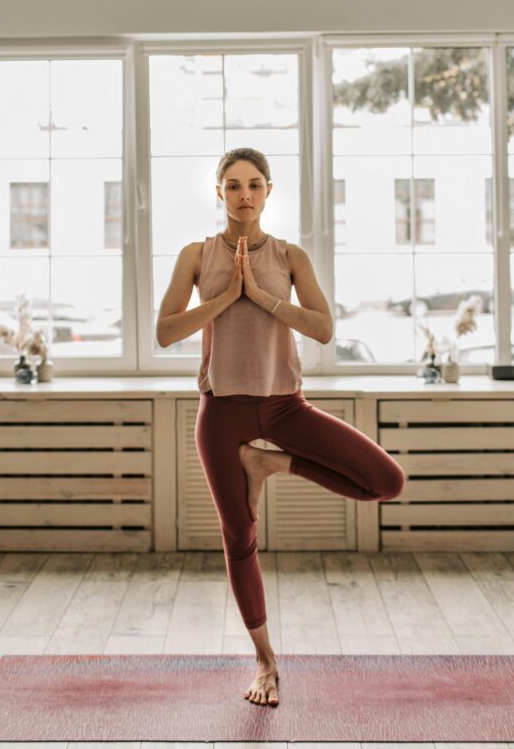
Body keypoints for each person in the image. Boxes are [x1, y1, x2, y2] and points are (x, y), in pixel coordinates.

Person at [156, 147, 406, 708]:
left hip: (285, 406)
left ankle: (271, 461)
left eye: (254, 184)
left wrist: (263, 296)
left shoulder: (291, 256)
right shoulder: (195, 255)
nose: (244, 194)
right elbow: (166, 332)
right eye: (232, 184)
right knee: (240, 536)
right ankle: (265, 661)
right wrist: (224, 297)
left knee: (385, 481)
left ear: (269, 191)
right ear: (217, 192)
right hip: (222, 410)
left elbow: (321, 328)